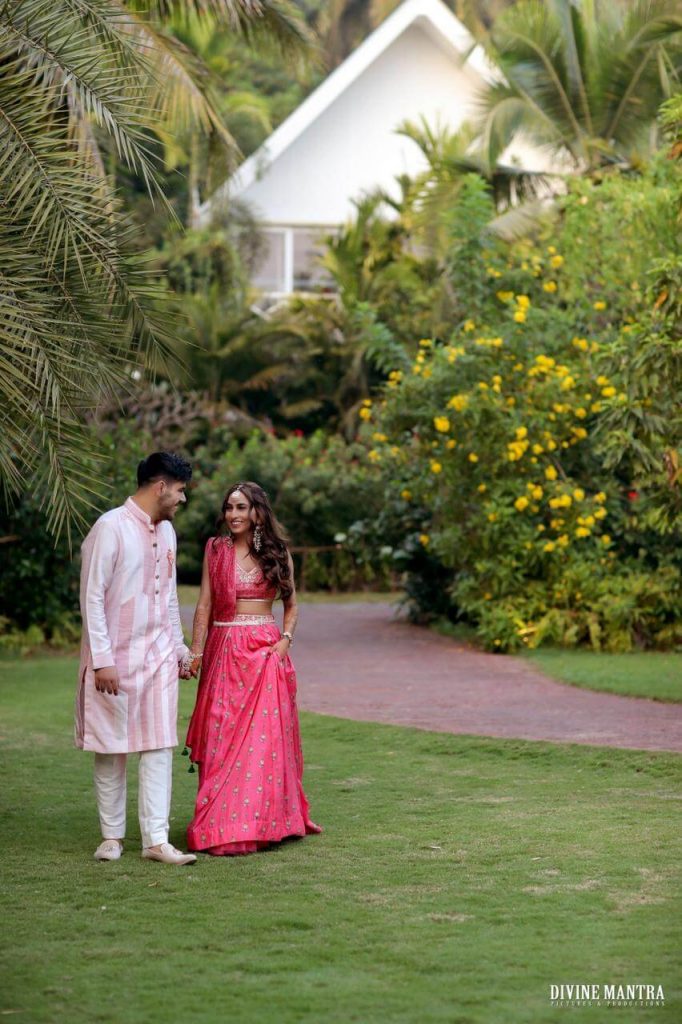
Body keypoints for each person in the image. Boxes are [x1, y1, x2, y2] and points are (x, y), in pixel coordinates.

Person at [185, 481, 321, 855]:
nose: (233, 515)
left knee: (264, 743)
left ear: (258, 511)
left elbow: (291, 606)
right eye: (229, 508)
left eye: (241, 507)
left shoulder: (277, 553)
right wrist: (196, 652)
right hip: (224, 650)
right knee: (219, 734)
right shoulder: (216, 550)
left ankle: (262, 822)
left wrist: (285, 642)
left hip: (264, 655)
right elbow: (204, 607)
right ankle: (217, 821)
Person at [75, 452, 197, 866]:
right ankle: (112, 837)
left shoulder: (169, 535)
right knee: (112, 748)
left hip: (159, 656)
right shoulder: (110, 528)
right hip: (116, 659)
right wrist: (102, 659)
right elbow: (91, 597)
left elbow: (169, 599)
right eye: (180, 491)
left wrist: (179, 651)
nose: (182, 500)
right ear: (161, 486)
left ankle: (156, 841)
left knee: (159, 746)